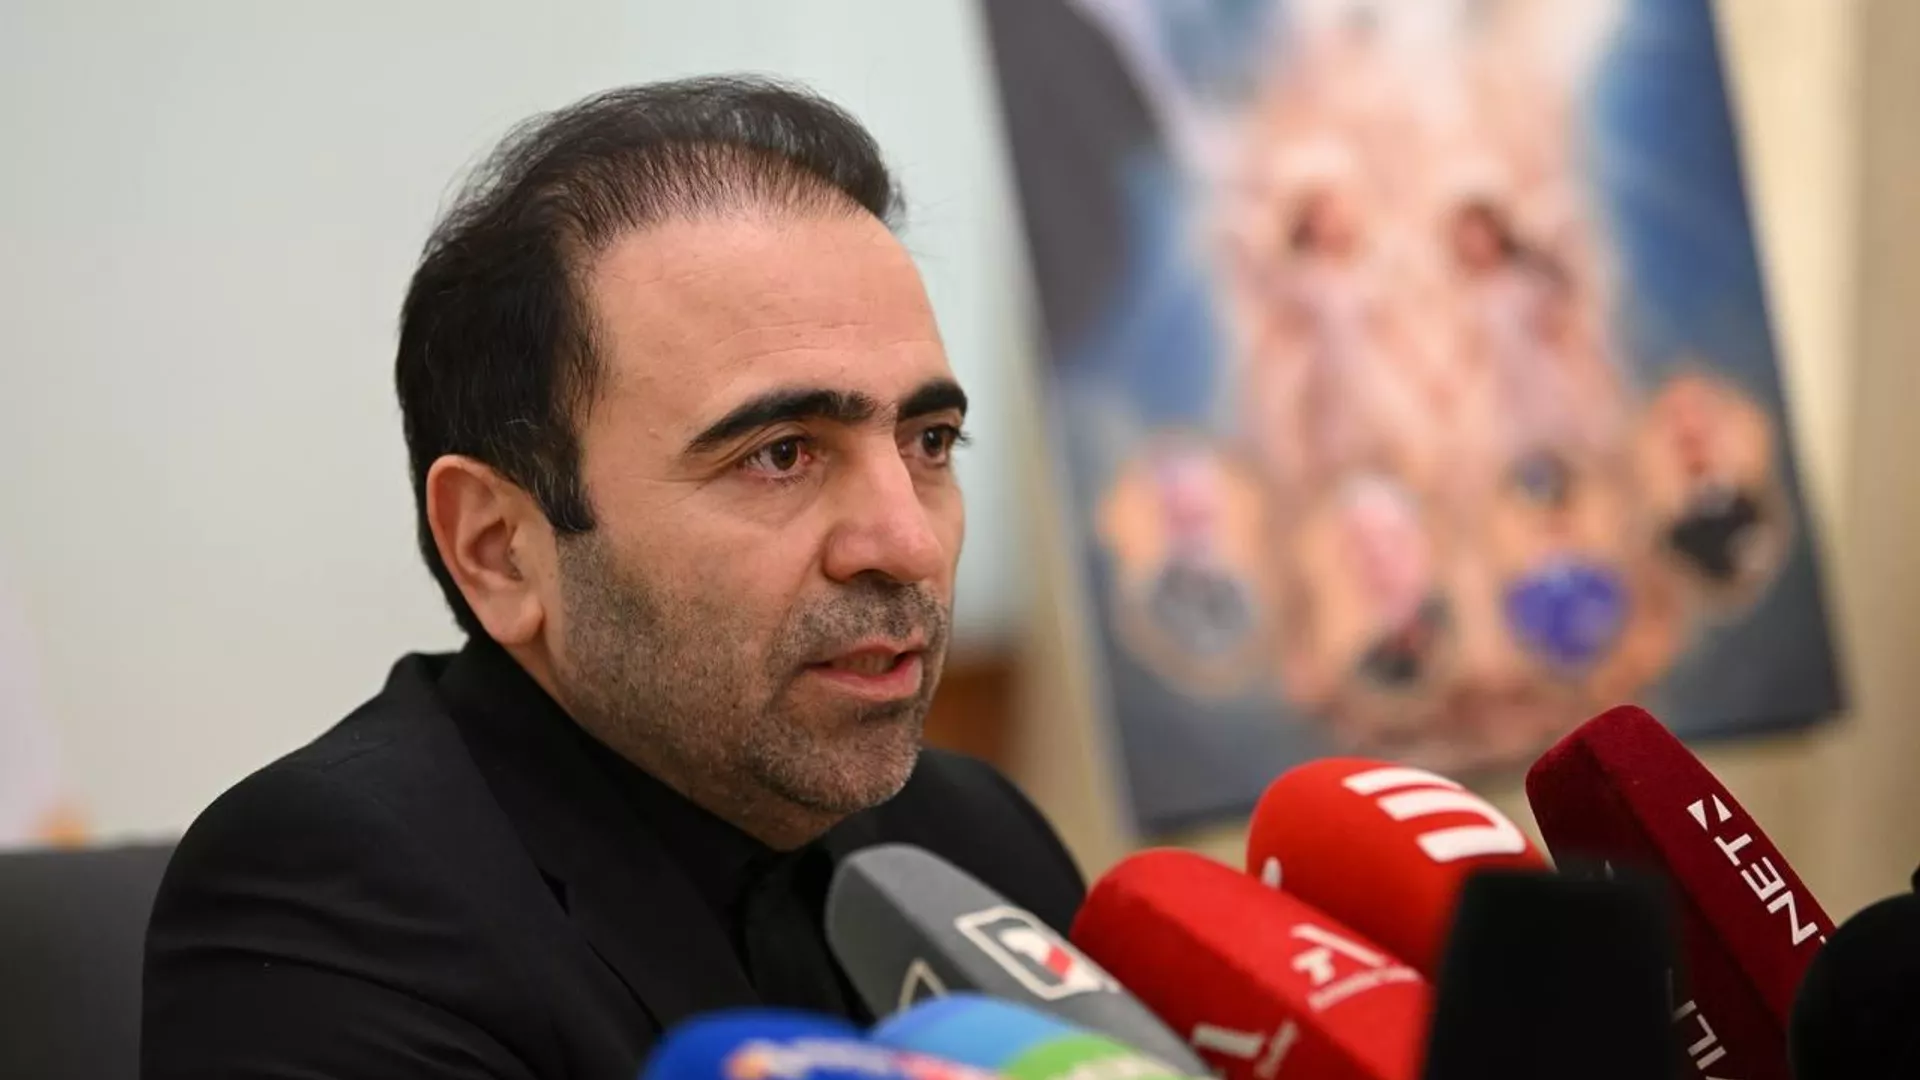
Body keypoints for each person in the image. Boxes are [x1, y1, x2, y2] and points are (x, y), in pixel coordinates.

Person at [141, 78, 1086, 1080]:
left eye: (929, 441)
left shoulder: (970, 842)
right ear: (500, 548)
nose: (907, 543)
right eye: (780, 454)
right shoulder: (331, 898)